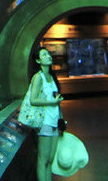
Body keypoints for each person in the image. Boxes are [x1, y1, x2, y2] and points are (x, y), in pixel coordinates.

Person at [19, 46, 64, 181]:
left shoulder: (51, 76)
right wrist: (52, 102)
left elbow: (56, 100)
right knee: (43, 159)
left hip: (55, 120)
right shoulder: (38, 78)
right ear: (38, 61)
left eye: (48, 54)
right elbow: (33, 100)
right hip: (44, 121)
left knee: (50, 159)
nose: (48, 56)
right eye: (44, 55)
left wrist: (61, 119)